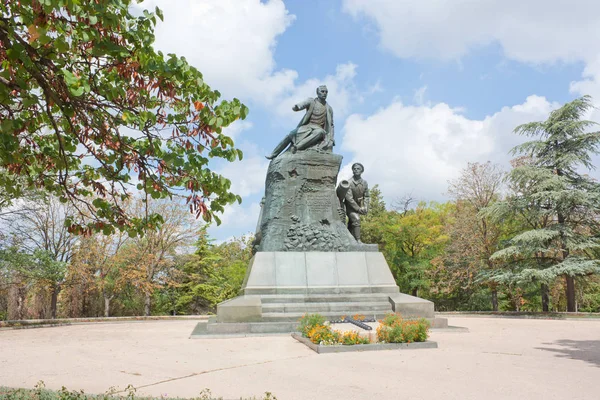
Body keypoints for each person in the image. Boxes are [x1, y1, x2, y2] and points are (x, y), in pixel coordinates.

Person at [266, 85, 334, 160]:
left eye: (326, 92)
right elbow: (302, 104)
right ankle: (274, 153)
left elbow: (331, 125)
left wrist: (331, 138)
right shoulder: (311, 101)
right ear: (317, 92)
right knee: (290, 134)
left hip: (318, 128)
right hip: (307, 126)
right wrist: (297, 107)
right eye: (322, 91)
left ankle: (297, 147)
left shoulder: (329, 108)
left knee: (320, 132)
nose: (324, 93)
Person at [343, 163, 369, 242]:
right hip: (349, 207)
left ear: (362, 171)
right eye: (354, 169)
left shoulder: (364, 183)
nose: (356, 170)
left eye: (358, 169)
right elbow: (349, 199)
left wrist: (365, 207)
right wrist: (358, 209)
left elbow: (367, 196)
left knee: (352, 224)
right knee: (356, 219)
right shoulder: (349, 183)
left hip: (359, 206)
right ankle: (358, 241)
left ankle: (350, 240)